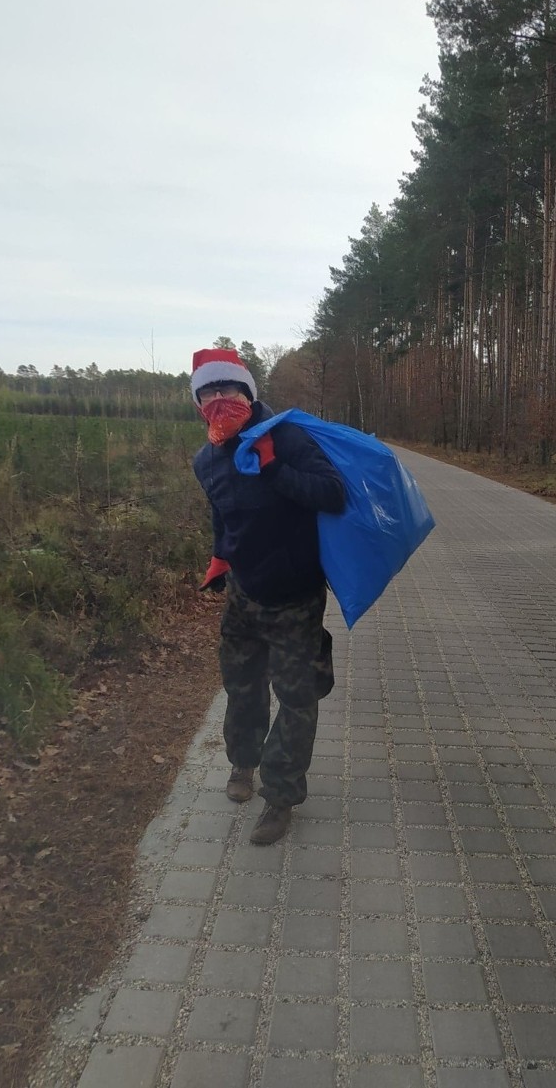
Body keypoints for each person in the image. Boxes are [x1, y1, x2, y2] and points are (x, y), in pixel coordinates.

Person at [190, 348, 346, 844]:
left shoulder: (288, 436)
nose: (220, 398)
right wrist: (219, 556)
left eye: (228, 388)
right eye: (208, 391)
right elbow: (223, 512)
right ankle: (243, 764)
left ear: (248, 392)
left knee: (296, 699)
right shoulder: (206, 458)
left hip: (297, 596)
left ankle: (280, 797)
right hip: (243, 594)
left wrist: (276, 468)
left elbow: (333, 494)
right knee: (241, 686)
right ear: (198, 402)